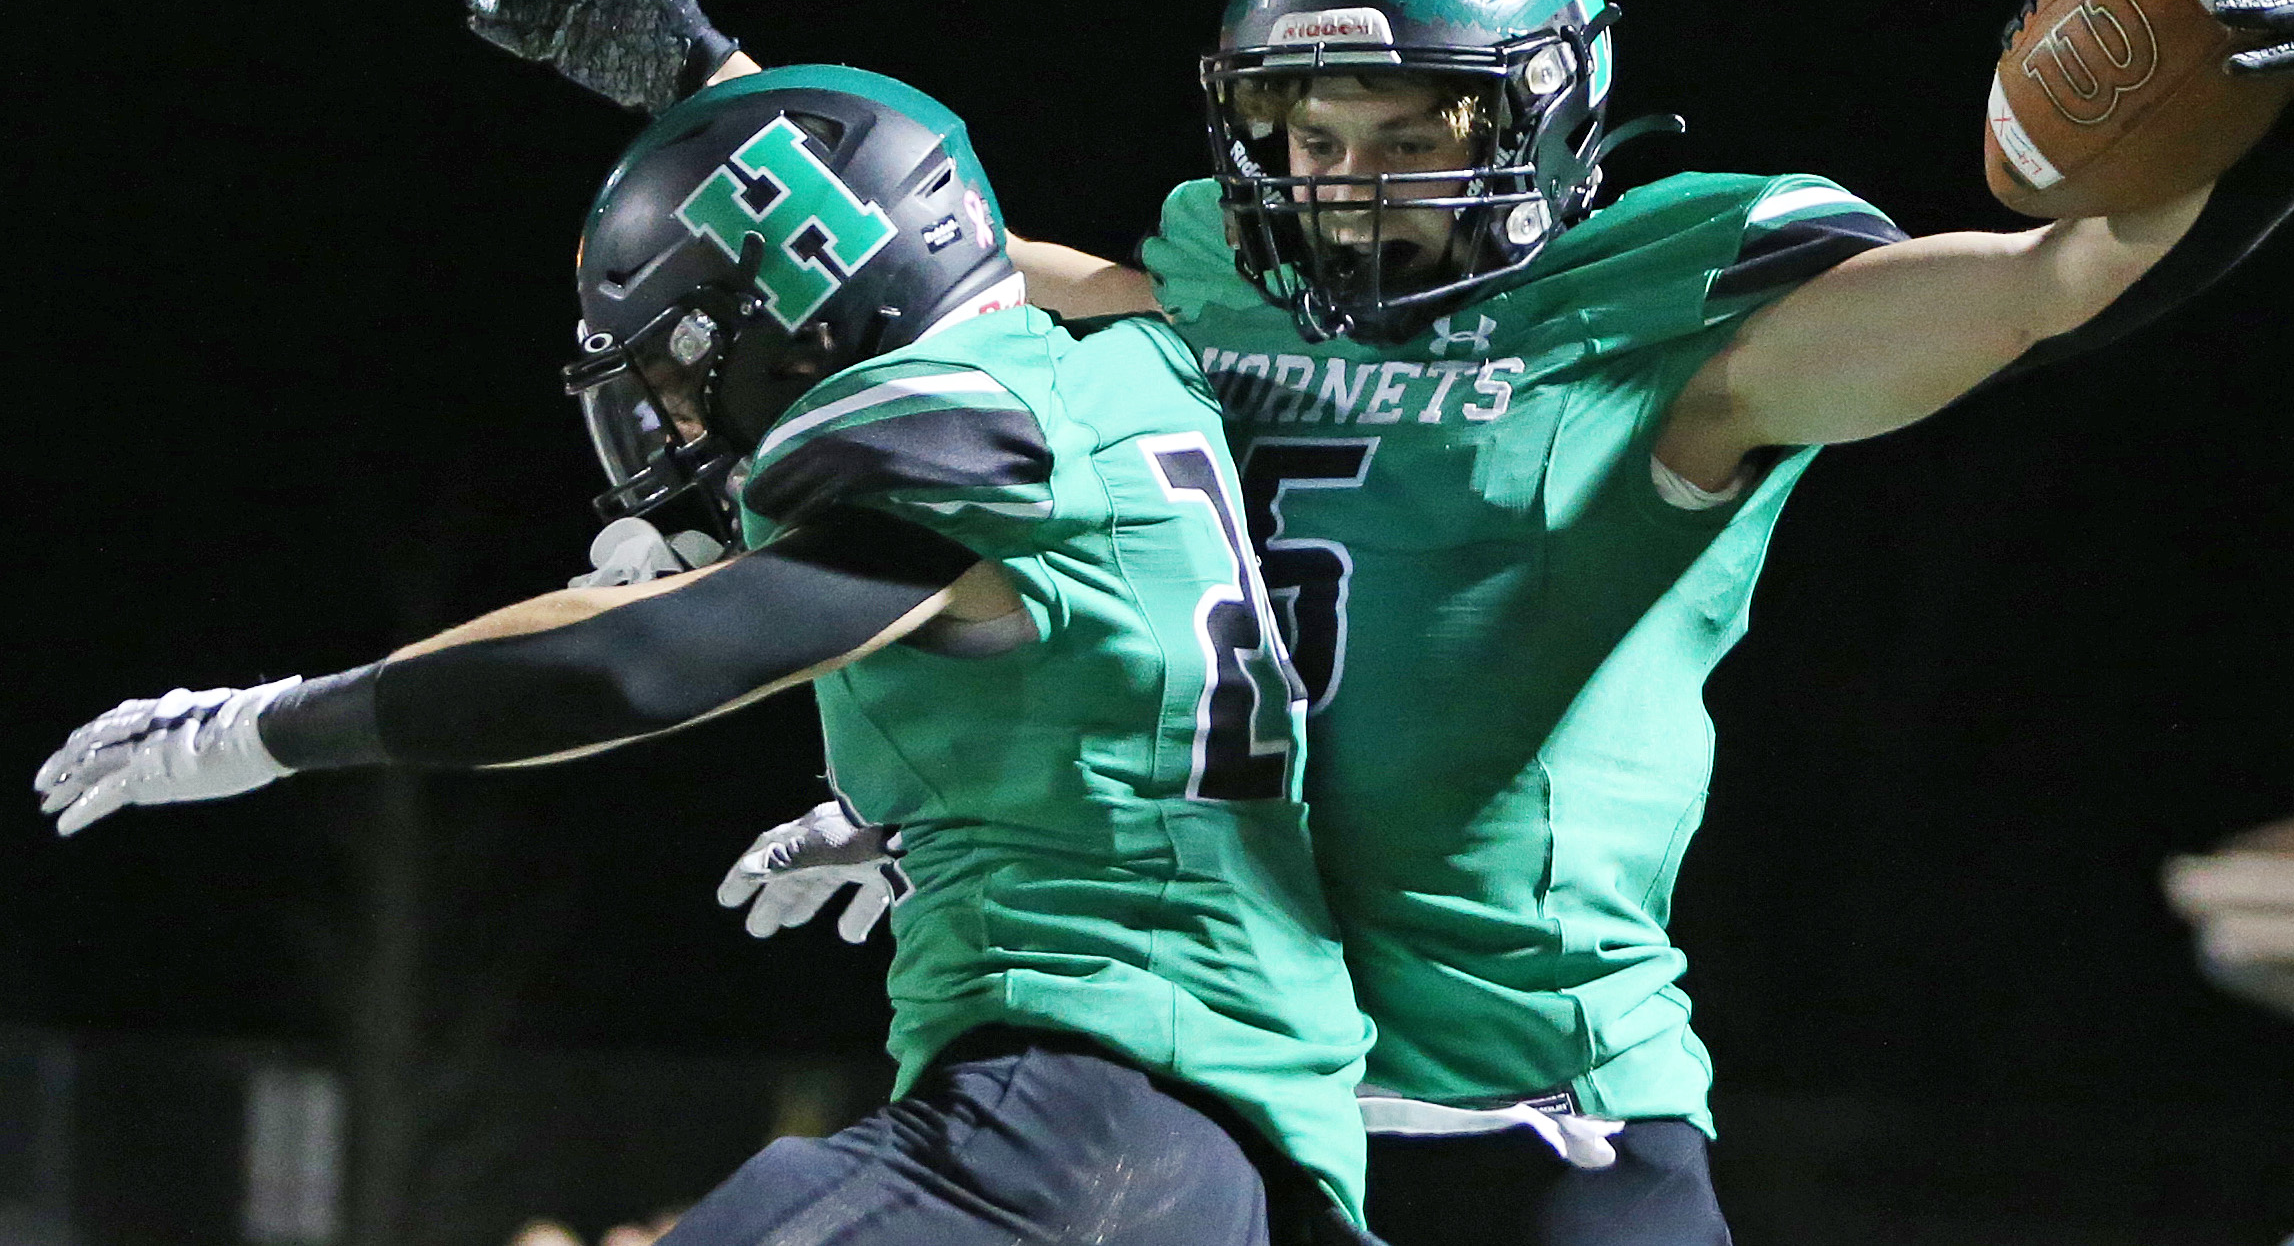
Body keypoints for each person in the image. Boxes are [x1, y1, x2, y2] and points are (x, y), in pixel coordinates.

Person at [466, 0, 2294, 1245]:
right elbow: (926, 273)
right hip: (1216, 1113)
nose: (1350, 178)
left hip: (1532, 1116)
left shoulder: (1671, 308)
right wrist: (715, 82)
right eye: (1309, 129)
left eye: (1410, 119)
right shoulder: (1201, 279)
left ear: (1550, 105)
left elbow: (2051, 285)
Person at [36, 67, 1380, 1246]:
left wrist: (265, 727)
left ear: (808, 321)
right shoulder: (1130, 366)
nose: (676, 412)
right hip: (1230, 1158)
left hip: (1072, 1123)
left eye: (684, 361)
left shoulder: (953, 432)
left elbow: (627, 662)